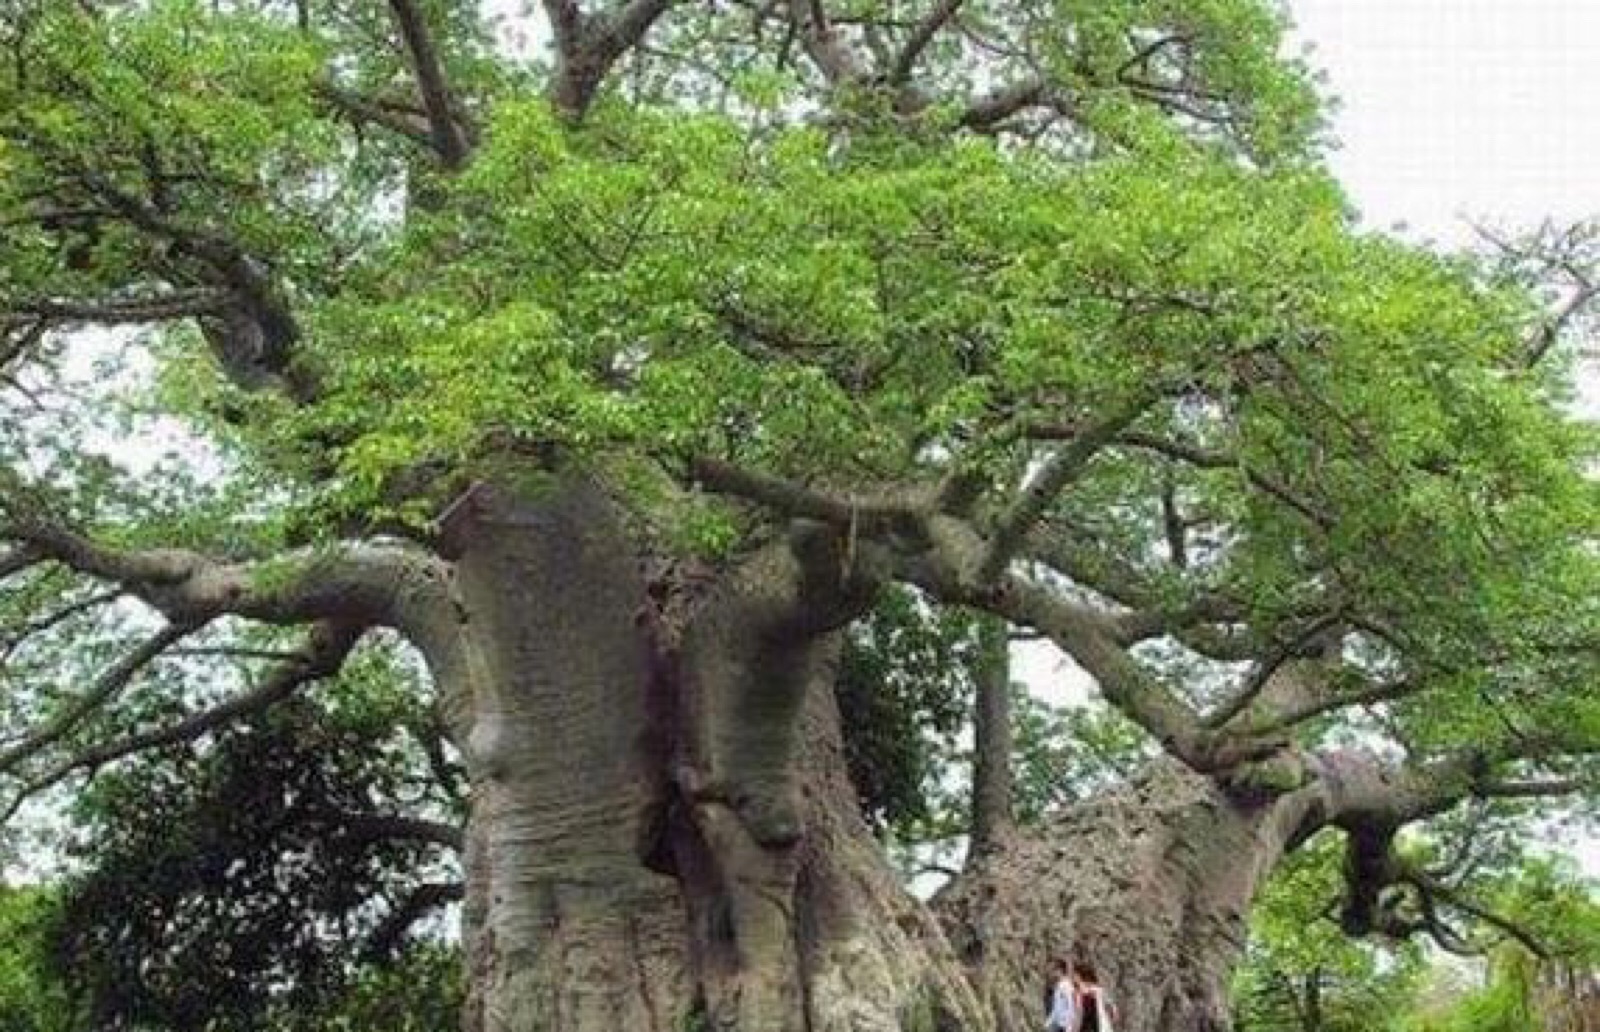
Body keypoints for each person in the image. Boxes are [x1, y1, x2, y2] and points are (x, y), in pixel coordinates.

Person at [1072, 961, 1118, 1032]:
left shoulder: (1096, 990)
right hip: (1084, 1026)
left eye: (1075, 975)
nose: (1073, 977)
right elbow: (1079, 1014)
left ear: (1080, 976)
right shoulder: (1077, 993)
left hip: (1097, 1025)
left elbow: (1110, 1003)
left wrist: (1114, 1012)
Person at [1044, 956, 1077, 1032]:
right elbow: (1057, 1008)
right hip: (1059, 1025)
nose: (1051, 973)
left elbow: (1071, 1006)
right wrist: (1049, 1023)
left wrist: (1070, 1027)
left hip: (1065, 1026)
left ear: (1060, 970)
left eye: (1053, 970)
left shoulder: (1066, 986)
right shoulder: (1059, 986)